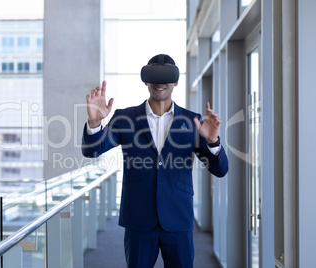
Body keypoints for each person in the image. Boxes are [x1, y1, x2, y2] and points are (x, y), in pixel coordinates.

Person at [82, 54, 228, 268]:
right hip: (139, 218)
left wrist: (213, 141)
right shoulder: (125, 118)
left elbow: (220, 170)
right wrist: (94, 122)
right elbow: (93, 150)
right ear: (146, 80)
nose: (160, 82)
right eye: (154, 75)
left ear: (176, 81)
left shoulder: (193, 121)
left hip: (178, 216)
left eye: (167, 75)